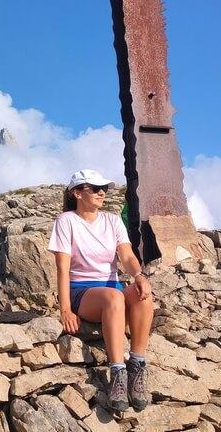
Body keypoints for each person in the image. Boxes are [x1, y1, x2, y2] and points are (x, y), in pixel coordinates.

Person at [48, 169, 154, 413]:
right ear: (77, 193)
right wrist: (65, 309)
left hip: (111, 289)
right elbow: (62, 268)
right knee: (115, 296)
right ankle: (117, 372)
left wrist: (138, 276)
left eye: (103, 188)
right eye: (94, 188)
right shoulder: (66, 221)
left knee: (143, 295)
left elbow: (126, 255)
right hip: (81, 291)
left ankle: (136, 365)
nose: (101, 193)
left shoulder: (112, 220)